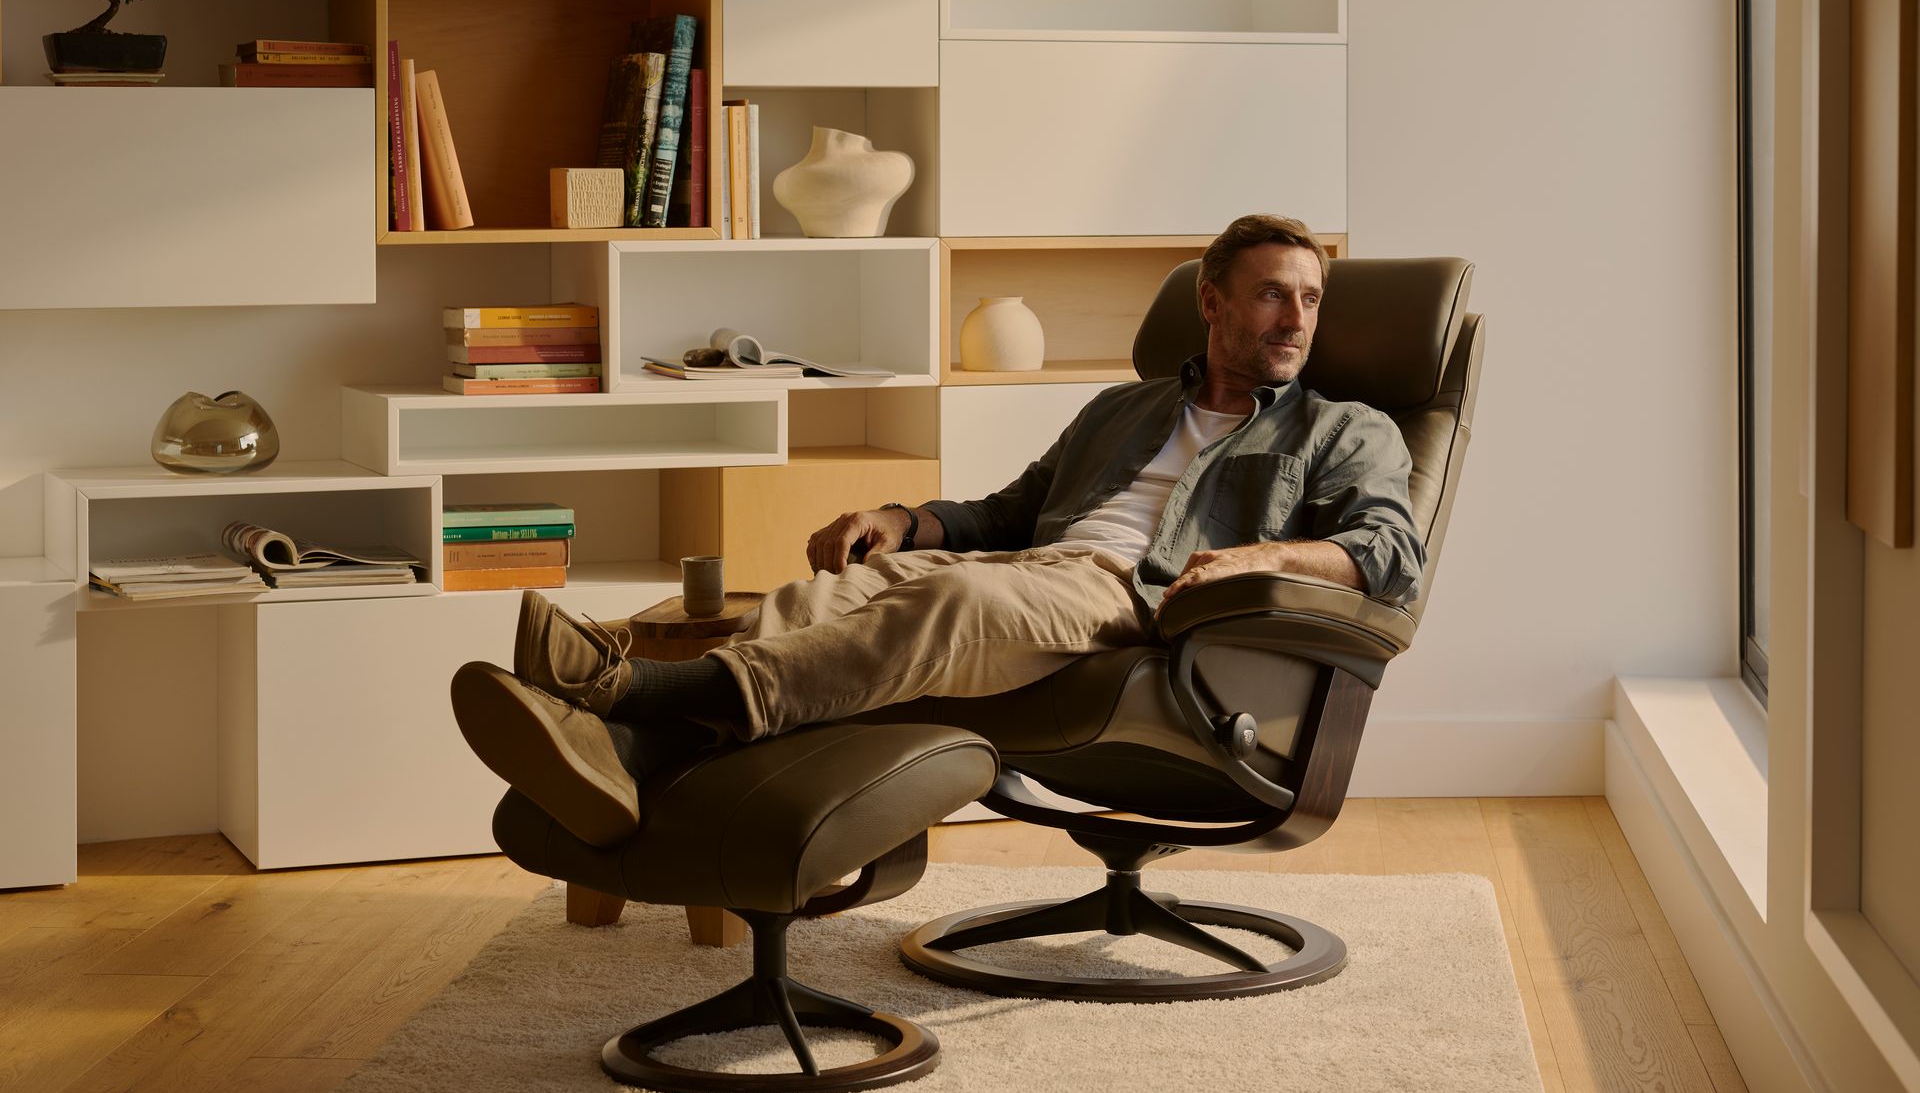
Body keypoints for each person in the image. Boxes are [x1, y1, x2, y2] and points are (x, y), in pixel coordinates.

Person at [450, 214, 1425, 848]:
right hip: (1030, 568)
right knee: (825, 595)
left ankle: (630, 690)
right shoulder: (1119, 412)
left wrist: (1268, 554)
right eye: (1271, 292)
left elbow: (1389, 549)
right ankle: (630, 761)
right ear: (1212, 302)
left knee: (954, 596)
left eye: (1309, 297)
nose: (1296, 316)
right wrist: (902, 518)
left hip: (1139, 603)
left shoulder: (1344, 429)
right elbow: (1005, 514)